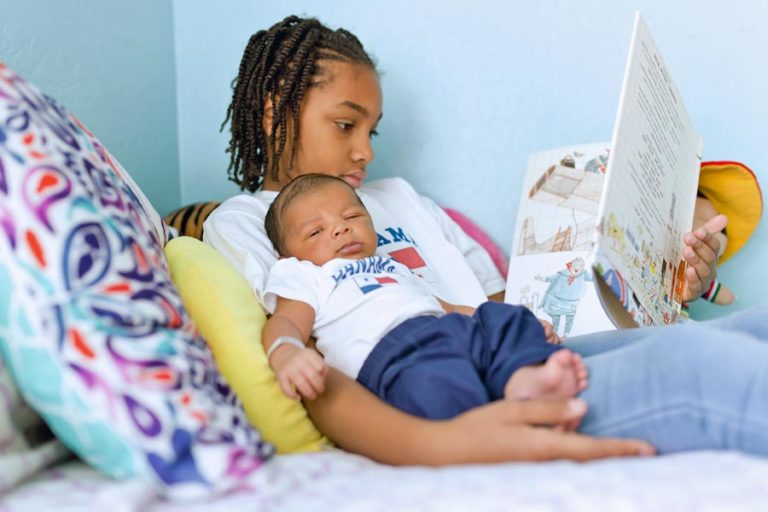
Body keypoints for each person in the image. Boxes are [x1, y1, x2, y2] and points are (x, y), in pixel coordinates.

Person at [203, 15, 753, 464]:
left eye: (373, 131)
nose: (365, 152)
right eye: (346, 126)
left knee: (745, 330)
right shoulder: (244, 219)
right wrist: (439, 444)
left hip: (518, 353)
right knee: (702, 368)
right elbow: (306, 356)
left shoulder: (404, 198)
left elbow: (501, 307)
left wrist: (652, 282)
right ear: (276, 111)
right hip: (446, 391)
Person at [260, 174, 588, 421]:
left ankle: (523, 381)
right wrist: (285, 353)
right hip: (395, 354)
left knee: (505, 317)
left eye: (351, 217)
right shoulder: (306, 275)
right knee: (433, 388)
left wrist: (513, 327)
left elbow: (442, 307)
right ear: (289, 255)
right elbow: (286, 321)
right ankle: (495, 418)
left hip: (443, 328)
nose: (340, 229)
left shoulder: (389, 264)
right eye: (316, 231)